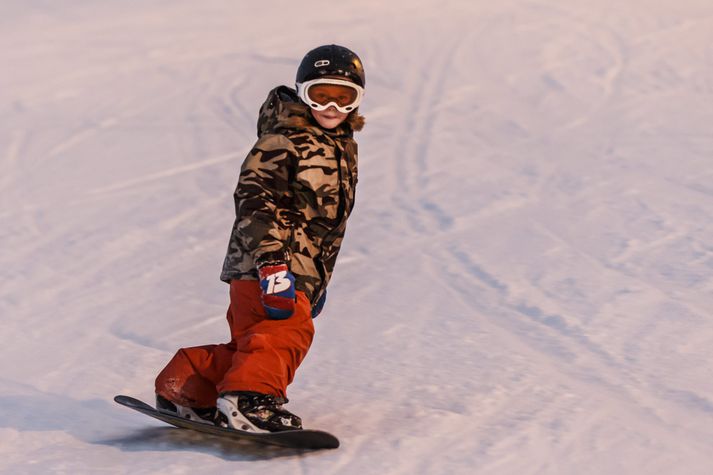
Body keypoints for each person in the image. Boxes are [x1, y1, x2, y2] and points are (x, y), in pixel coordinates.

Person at [154, 44, 365, 432]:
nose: (332, 107)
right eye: (321, 95)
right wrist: (272, 262)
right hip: (270, 262)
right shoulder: (284, 139)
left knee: (255, 342)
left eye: (344, 97)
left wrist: (316, 283)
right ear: (303, 93)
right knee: (285, 334)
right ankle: (249, 399)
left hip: (296, 269)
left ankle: (188, 384)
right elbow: (255, 199)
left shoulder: (341, 147)